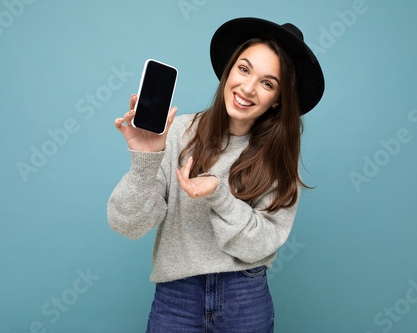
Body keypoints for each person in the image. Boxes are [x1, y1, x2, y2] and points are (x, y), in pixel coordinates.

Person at [107, 17, 324, 333]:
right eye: (244, 69)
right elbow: (127, 224)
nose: (247, 88)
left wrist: (218, 195)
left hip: (244, 297)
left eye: (267, 83)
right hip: (176, 297)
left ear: (278, 99)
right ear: (229, 70)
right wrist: (146, 159)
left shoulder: (279, 158)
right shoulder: (180, 131)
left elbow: (262, 244)